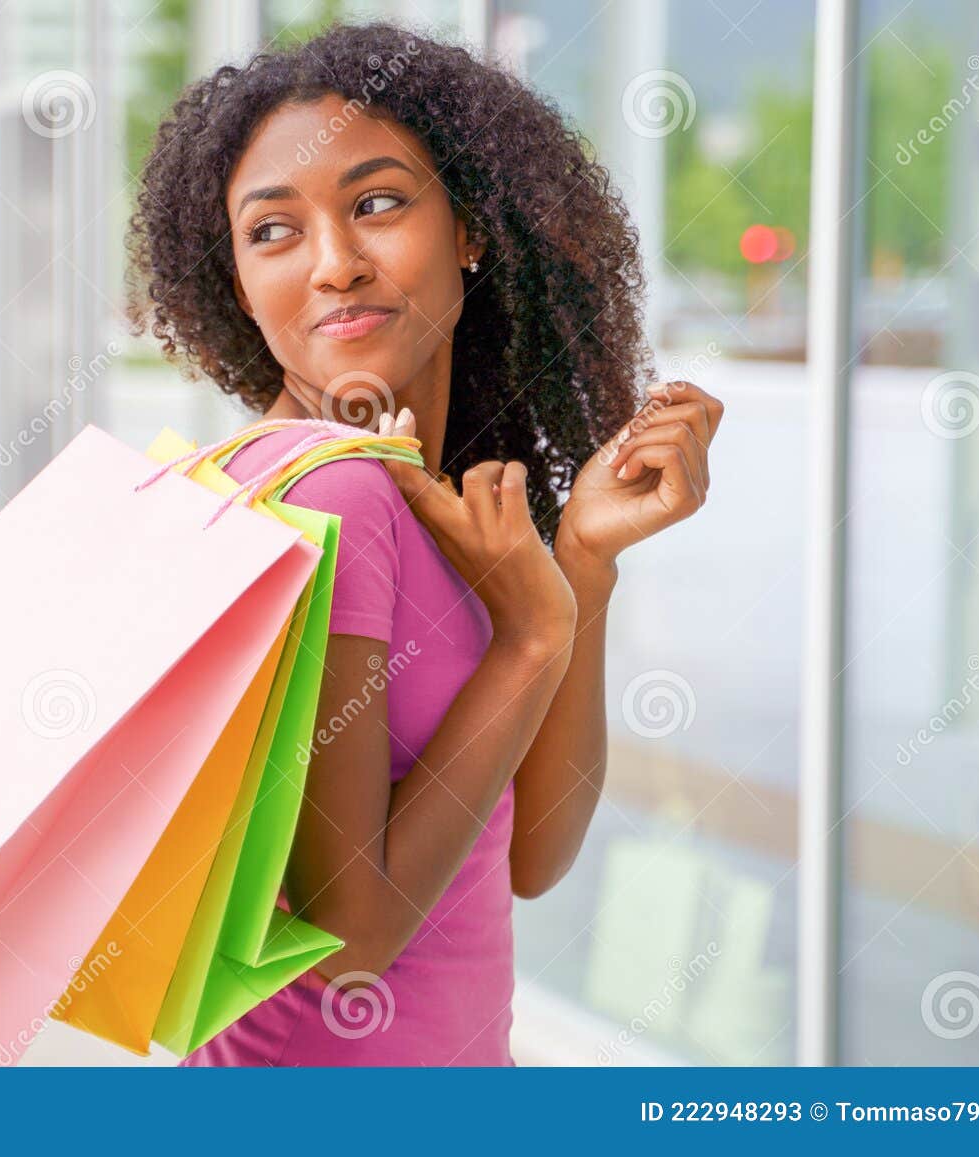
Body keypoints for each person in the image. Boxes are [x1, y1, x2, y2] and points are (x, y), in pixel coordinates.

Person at [129, 21, 723, 1065]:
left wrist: (578, 562)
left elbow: (526, 856)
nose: (335, 264)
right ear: (232, 278)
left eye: (375, 203)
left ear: (471, 230)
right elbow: (349, 941)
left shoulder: (389, 489)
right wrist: (532, 632)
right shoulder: (342, 495)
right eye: (273, 231)